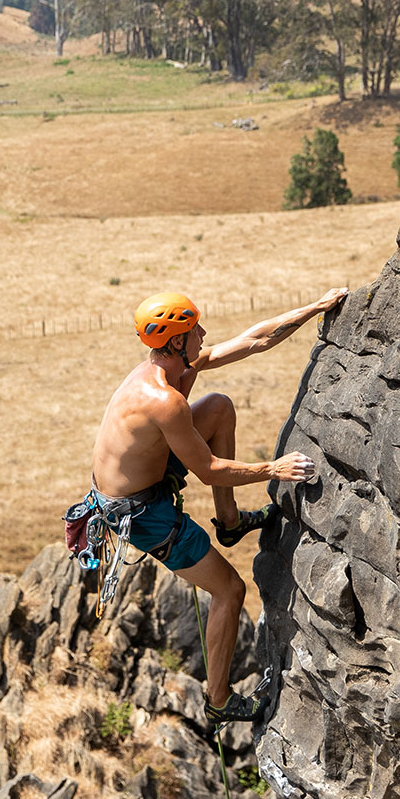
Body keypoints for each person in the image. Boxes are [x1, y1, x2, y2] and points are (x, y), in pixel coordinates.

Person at [91, 287, 348, 728]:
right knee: (229, 591)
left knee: (218, 408)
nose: (203, 334)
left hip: (140, 483)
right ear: (175, 341)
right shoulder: (163, 399)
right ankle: (219, 699)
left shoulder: (173, 370)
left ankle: (230, 523)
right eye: (194, 330)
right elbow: (209, 470)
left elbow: (253, 340)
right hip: (141, 513)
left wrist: (314, 307)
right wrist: (274, 468)